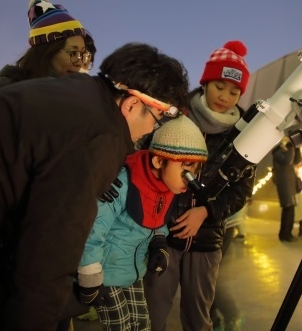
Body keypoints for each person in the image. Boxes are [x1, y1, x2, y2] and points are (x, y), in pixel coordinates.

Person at [0, 42, 190, 331]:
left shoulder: (76, 94)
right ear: (132, 104)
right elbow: (48, 255)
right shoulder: (98, 136)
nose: (152, 130)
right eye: (158, 118)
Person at [144, 40, 255, 331]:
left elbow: (241, 191)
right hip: (162, 234)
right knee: (153, 313)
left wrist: (206, 212)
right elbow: (149, 163)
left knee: (198, 317)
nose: (225, 97)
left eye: (234, 92)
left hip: (207, 241)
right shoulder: (174, 117)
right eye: (219, 86)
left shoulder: (245, 134)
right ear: (205, 82)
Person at [72, 115, 208, 331]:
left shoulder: (167, 186)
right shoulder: (124, 183)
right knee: (121, 326)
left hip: (133, 271)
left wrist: (158, 242)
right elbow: (94, 228)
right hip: (106, 274)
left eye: (195, 170)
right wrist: (90, 277)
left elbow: (156, 218)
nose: (190, 178)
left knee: (142, 323)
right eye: (186, 168)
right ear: (159, 161)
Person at [0, 0, 97, 90]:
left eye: (83, 54)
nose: (80, 62)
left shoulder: (85, 93)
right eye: (73, 52)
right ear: (47, 52)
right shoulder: (10, 89)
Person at [272, 136, 302, 242]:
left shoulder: (286, 152)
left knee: (291, 209)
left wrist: (297, 148)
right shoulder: (277, 153)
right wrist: (291, 147)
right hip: (284, 185)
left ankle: (287, 234)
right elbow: (288, 160)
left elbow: (297, 160)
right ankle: (284, 234)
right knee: (288, 209)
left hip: (290, 185)